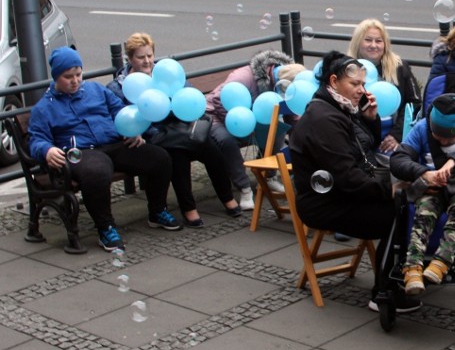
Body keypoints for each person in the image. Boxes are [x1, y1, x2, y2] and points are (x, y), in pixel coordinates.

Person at [289, 51, 420, 313]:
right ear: (334, 81)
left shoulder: (338, 106)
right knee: (398, 212)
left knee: (407, 201)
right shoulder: (324, 118)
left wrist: (369, 120)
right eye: (355, 84)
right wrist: (388, 189)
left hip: (342, 192)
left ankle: (403, 273)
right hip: (325, 203)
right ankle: (383, 292)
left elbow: (363, 149)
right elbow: (347, 176)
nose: (361, 90)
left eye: (363, 84)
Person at [28, 47, 180, 251]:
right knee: (97, 172)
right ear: (56, 76)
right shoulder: (44, 108)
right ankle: (106, 227)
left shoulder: (96, 90)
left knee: (159, 157)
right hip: (82, 153)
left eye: (78, 74)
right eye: (68, 77)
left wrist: (132, 128)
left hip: (114, 144)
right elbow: (36, 139)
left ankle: (157, 211)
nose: (75, 80)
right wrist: (47, 150)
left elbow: (119, 110)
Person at [107, 33, 242, 227]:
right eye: (140, 57)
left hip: (182, 128)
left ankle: (227, 197)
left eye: (149, 55)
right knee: (177, 156)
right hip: (155, 135)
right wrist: (132, 131)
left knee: (211, 149)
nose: (147, 61)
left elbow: (189, 95)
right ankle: (188, 208)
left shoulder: (165, 72)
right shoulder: (120, 85)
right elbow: (120, 115)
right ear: (130, 59)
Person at [390, 93, 455, 295]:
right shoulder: (422, 128)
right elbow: (398, 159)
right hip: (433, 187)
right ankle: (412, 267)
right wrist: (423, 173)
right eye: (440, 137)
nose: (445, 141)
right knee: (424, 209)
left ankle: (441, 261)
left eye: (450, 138)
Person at [205, 50, 302, 210]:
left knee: (277, 131)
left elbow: (292, 116)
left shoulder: (287, 89)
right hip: (217, 116)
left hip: (252, 119)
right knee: (226, 141)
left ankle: (268, 177)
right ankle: (244, 188)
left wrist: (302, 138)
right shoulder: (243, 77)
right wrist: (242, 126)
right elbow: (218, 100)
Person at [347, 19, 422, 156]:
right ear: (358, 43)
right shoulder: (346, 68)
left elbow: (414, 102)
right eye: (368, 40)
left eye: (379, 41)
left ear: (385, 44)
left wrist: (396, 136)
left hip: (393, 135)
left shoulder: (399, 67)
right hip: (359, 137)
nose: (374, 45)